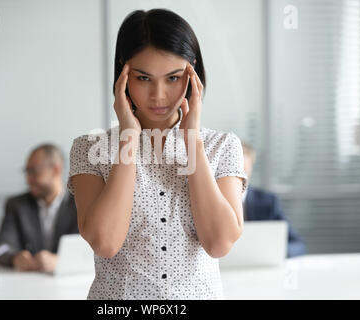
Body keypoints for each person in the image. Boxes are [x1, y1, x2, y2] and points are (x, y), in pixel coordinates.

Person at [67, 9, 247, 299]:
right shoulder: (89, 149)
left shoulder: (223, 146)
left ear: (193, 75)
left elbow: (219, 243)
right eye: (144, 78)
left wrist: (192, 141)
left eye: (173, 78)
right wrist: (129, 138)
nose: (159, 95)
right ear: (123, 76)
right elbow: (105, 243)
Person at [0, 143, 78, 272]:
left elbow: (89, 251)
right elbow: (1, 249)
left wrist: (60, 261)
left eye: (33, 171)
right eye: (26, 172)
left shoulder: (79, 204)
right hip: (27, 285)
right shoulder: (16, 205)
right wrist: (15, 258)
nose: (28, 180)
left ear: (56, 170)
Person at [241, 141, 306, 258]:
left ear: (251, 168)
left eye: (244, 171)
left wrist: (275, 253)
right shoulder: (211, 202)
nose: (240, 177)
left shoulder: (267, 201)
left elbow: (297, 245)